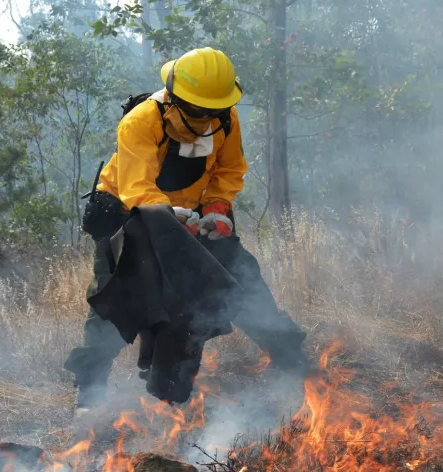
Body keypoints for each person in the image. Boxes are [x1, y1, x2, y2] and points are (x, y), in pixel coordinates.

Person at [64, 47, 309, 413]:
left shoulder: (226, 119)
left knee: (239, 277)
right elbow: (136, 186)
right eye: (199, 111)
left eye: (215, 110)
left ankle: (290, 362)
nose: (207, 118)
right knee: (118, 301)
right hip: (129, 211)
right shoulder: (142, 121)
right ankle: (90, 393)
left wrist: (217, 210)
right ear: (176, 99)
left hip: (191, 214)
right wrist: (170, 215)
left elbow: (229, 171)